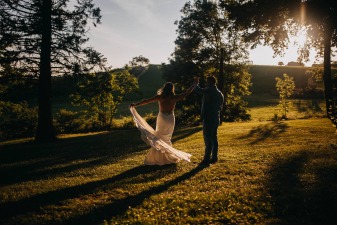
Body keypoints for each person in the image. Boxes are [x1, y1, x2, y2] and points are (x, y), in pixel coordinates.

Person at [129, 81, 196, 165]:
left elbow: (147, 101)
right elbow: (186, 93)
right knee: (167, 137)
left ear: (164, 88)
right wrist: (194, 84)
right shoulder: (174, 97)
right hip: (170, 118)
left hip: (162, 118)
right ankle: (166, 157)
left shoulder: (160, 97)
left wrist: (136, 104)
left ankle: (159, 158)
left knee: (159, 135)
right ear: (172, 89)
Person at [194, 76, 224, 164]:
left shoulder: (210, 90)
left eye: (207, 82)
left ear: (211, 82)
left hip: (208, 118)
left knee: (208, 139)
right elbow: (220, 107)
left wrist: (196, 82)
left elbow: (198, 90)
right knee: (214, 138)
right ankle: (214, 157)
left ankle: (206, 158)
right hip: (216, 118)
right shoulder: (220, 93)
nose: (206, 84)